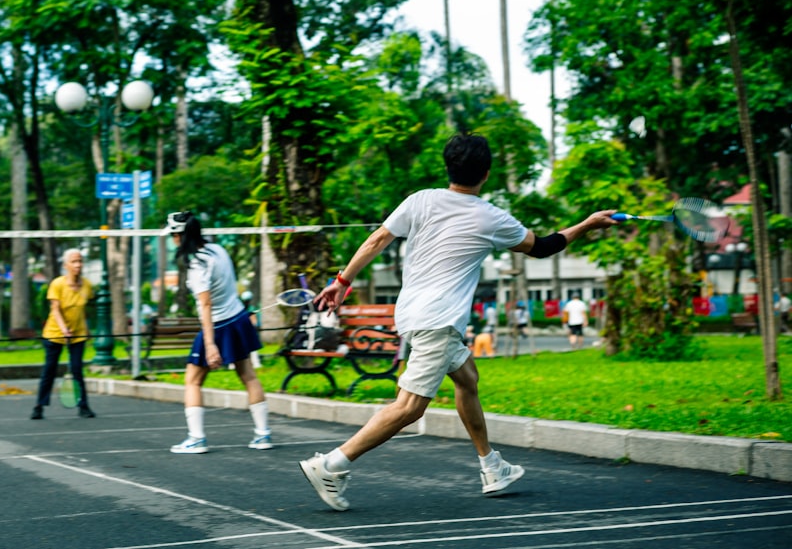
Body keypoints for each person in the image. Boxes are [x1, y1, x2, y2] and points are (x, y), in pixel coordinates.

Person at [298, 134, 618, 511]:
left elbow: (377, 240)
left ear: (448, 167)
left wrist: (341, 282)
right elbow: (544, 246)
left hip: (415, 314)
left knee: (467, 379)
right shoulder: (491, 217)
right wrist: (587, 224)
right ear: (485, 173)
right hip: (437, 320)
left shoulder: (420, 199)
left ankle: (491, 466)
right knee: (409, 408)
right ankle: (331, 465)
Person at [165, 211, 272, 454]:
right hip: (238, 318)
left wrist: (211, 344)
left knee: (192, 380)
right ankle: (263, 435)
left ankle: (196, 438)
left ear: (181, 236)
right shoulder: (218, 250)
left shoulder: (196, 264)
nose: (172, 239)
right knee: (249, 376)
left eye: (173, 234)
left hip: (218, 325)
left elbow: (206, 305)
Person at [31, 249, 96, 419]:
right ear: (66, 265)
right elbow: (55, 309)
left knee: (77, 371)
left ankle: (84, 406)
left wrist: (86, 330)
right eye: (74, 261)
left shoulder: (87, 285)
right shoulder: (57, 284)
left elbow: (82, 310)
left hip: (78, 334)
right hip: (54, 333)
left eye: (80, 261)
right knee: (49, 371)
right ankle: (39, 406)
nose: (78, 265)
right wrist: (64, 329)